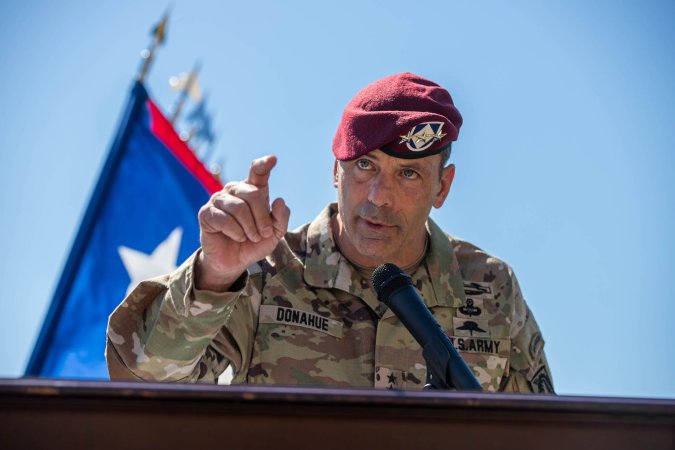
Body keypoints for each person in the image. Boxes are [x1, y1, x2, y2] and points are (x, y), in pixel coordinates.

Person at [106, 72, 554, 393]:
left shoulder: (491, 289)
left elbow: (541, 436)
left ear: (443, 186)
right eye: (365, 166)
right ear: (334, 172)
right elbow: (144, 381)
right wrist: (215, 275)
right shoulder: (265, 271)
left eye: (410, 175)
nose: (380, 195)